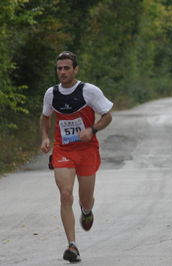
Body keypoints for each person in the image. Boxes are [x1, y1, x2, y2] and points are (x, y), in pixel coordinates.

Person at [40, 51, 113, 262]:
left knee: (85, 199)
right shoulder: (51, 93)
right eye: (59, 68)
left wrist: (92, 129)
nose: (62, 72)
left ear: (75, 69)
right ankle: (72, 246)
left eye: (66, 68)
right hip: (63, 151)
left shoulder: (89, 91)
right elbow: (45, 117)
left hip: (87, 150)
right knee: (65, 194)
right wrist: (45, 137)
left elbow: (107, 116)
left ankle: (87, 210)